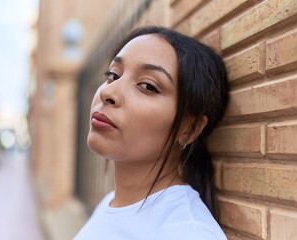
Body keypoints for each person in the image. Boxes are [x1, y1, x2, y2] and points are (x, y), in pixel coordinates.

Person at [74, 26, 229, 240]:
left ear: (190, 128)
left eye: (147, 86)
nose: (108, 92)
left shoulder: (188, 232)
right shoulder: (112, 203)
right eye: (113, 75)